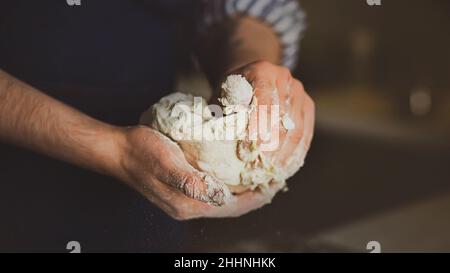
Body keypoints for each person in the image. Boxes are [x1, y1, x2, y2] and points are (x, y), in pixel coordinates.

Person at [0, 0, 314, 251]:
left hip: (155, 184)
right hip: (14, 194)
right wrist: (114, 150)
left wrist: (246, 70)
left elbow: (237, 8)